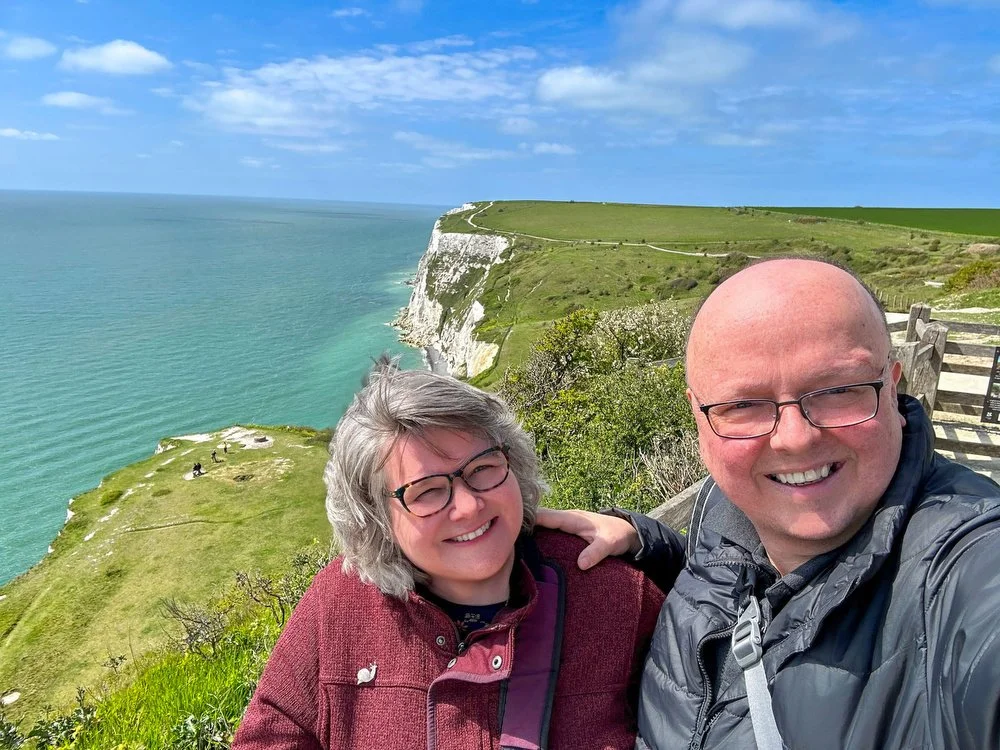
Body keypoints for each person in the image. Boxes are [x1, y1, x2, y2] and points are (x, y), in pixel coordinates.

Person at [541, 258, 1000, 749]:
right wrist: (645, 541)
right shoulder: (727, 504)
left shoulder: (965, 567)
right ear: (697, 414)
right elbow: (734, 575)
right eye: (743, 405)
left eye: (839, 390)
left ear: (893, 384)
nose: (795, 439)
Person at [232, 361, 674, 749]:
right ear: (376, 517)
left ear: (512, 465)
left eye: (482, 468)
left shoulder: (613, 593)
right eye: (427, 492)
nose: (468, 506)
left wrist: (648, 541)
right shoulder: (338, 605)